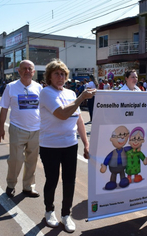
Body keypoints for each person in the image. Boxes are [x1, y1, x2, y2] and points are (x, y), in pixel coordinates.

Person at [39, 58, 95, 233]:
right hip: (50, 145)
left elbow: (79, 121)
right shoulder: (46, 93)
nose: (60, 77)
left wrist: (86, 144)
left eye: (63, 74)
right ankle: (49, 211)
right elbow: (62, 114)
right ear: (49, 76)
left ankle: (66, 214)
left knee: (69, 181)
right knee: (52, 180)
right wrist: (81, 98)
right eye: (56, 73)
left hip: (70, 144)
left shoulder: (70, 94)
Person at [0, 60, 42, 199]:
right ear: (19, 71)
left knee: (32, 161)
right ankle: (11, 185)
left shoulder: (39, 88)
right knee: (15, 159)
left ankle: (28, 187)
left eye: (30, 69)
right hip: (17, 129)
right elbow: (4, 108)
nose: (27, 71)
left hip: (36, 130)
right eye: (24, 69)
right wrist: (0, 128)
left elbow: (44, 110)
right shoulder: (11, 87)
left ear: (33, 72)